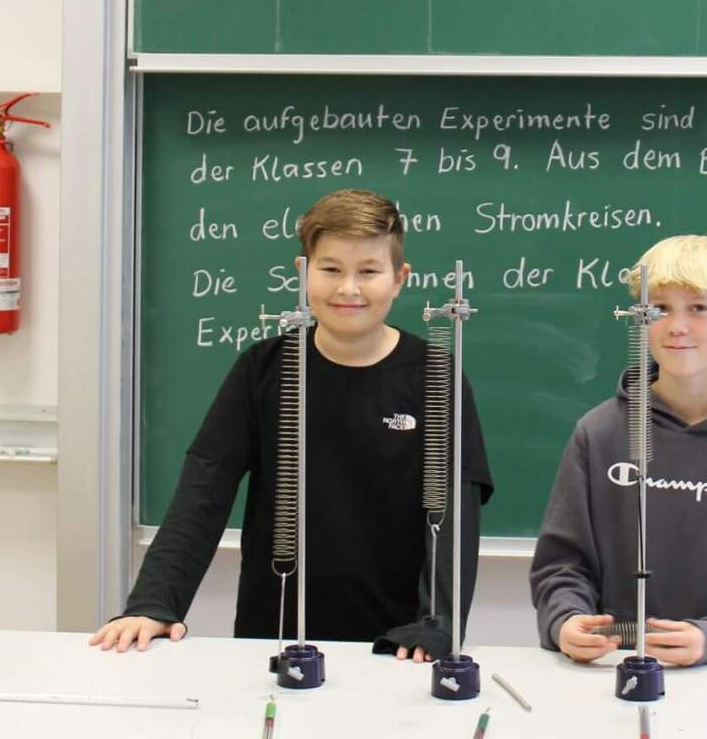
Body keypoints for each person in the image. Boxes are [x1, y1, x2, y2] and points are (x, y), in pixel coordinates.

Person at [91, 188, 492, 660]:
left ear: (400, 278)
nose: (348, 288)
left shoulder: (436, 376)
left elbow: (455, 519)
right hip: (275, 637)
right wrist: (154, 602)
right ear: (303, 271)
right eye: (331, 269)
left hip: (397, 647)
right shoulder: (263, 370)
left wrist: (437, 625)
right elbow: (204, 490)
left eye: (368, 271)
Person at [530, 233, 707, 666]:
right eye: (660, 309)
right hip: (612, 670)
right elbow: (560, 565)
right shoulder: (599, 433)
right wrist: (564, 620)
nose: (677, 326)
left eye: (698, 308)